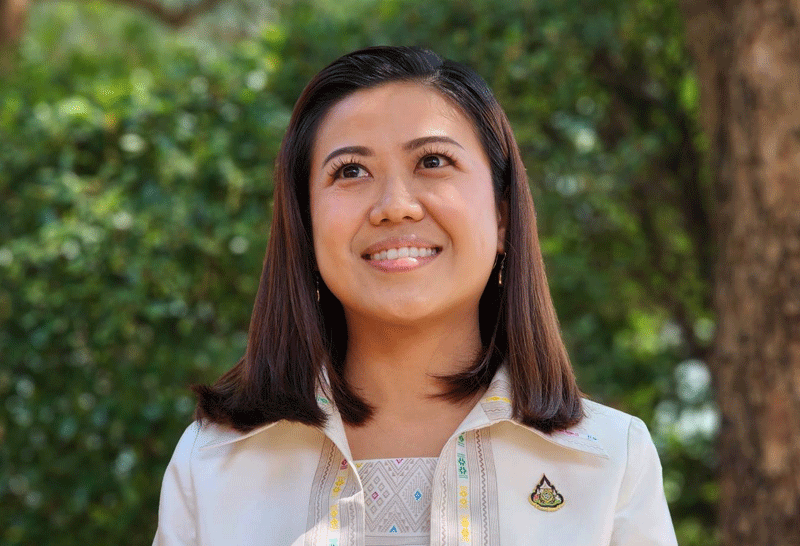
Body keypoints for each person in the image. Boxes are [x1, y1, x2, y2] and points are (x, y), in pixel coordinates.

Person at [152, 46, 678, 546]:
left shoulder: (611, 461)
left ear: (501, 216)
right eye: (350, 171)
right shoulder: (210, 465)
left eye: (432, 161)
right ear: (305, 227)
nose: (395, 206)